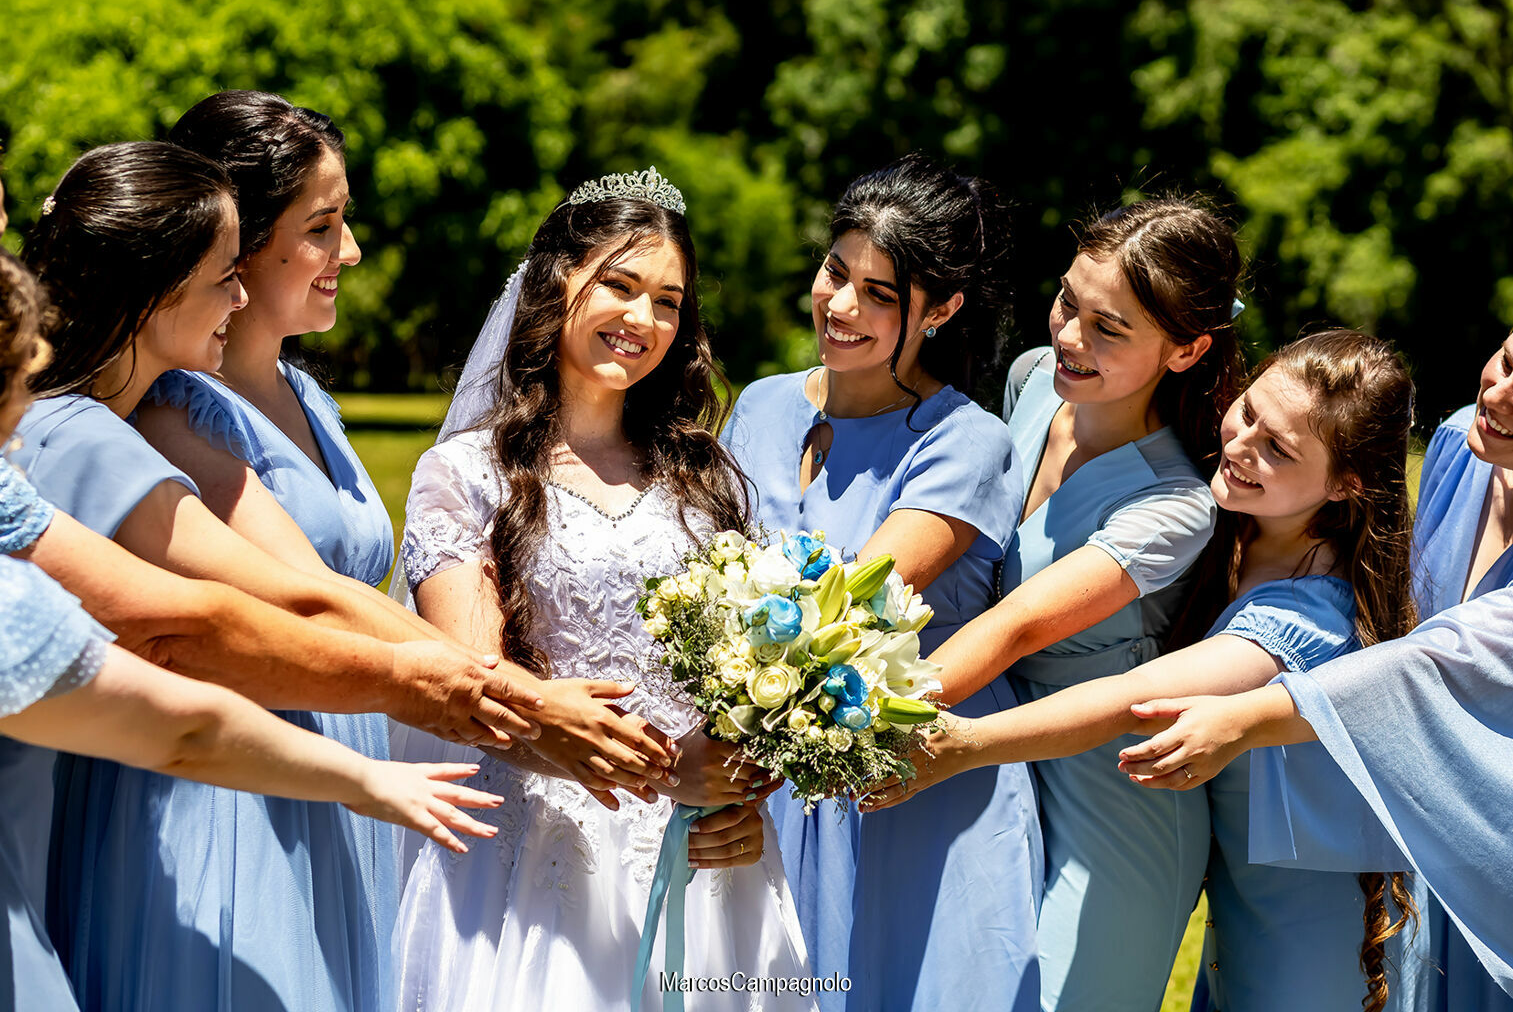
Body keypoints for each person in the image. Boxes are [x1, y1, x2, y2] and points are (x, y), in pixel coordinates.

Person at [10, 140, 555, 1012]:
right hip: (194, 798)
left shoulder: (95, 421)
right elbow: (203, 623)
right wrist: (477, 701)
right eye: (225, 275)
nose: (238, 295)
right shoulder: (87, 434)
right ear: (156, 288)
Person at [868, 330, 1417, 1010]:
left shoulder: (1310, 612)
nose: (1241, 445)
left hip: (1299, 925)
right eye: (1247, 413)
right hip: (1228, 895)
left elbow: (1137, 697)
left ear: (1344, 485)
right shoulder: (1237, 524)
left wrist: (965, 746)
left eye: (1277, 449)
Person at [392, 167, 814, 1010]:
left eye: (667, 300)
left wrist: (743, 784)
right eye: (619, 286)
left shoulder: (706, 477)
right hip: (537, 861)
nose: (643, 319)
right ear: (555, 286)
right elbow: (474, 689)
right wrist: (665, 775)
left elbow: (751, 674)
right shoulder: (466, 476)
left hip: (708, 858)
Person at [879, 196, 1241, 1011]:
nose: (1069, 338)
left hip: (1107, 795)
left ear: (1185, 350)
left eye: (1108, 328)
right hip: (987, 755)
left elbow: (1013, 626)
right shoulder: (1033, 381)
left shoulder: (1175, 502)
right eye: (1066, 304)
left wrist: (852, 714)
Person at [722, 154, 1040, 1011]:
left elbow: (847, 604)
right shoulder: (758, 404)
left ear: (940, 311)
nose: (840, 305)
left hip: (915, 780)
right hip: (772, 776)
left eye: (880, 293)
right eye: (836, 271)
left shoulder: (966, 442)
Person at [1119, 330, 1513, 1009]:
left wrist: (1245, 718)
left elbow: (1427, 667)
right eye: (1507, 362)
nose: (1498, 395)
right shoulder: (1460, 445)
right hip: (1400, 840)